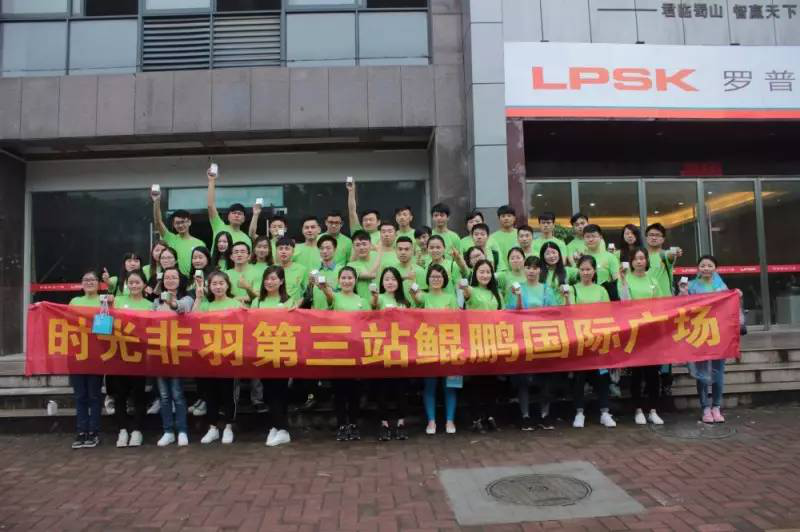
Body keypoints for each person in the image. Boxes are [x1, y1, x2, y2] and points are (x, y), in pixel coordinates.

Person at [678, 255, 736, 424]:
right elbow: (682, 306)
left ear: (715, 268)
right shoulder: (691, 285)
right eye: (703, 265)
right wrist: (683, 292)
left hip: (719, 333)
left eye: (710, 265)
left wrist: (736, 295)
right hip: (700, 332)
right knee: (702, 373)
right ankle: (705, 407)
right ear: (698, 268)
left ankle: (716, 406)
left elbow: (729, 305)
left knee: (718, 372)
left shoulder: (722, 286)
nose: (706, 268)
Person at [507, 256, 558, 430]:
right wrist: (518, 297)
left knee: (546, 378)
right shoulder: (516, 288)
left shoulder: (547, 289)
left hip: (544, 338)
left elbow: (555, 312)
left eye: (535, 268)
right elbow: (511, 313)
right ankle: (525, 415)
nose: (531, 271)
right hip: (523, 339)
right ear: (524, 269)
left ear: (540, 270)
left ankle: (545, 414)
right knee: (524, 379)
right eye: (528, 267)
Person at [193, 271, 243, 444]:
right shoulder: (206, 305)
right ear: (209, 286)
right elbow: (192, 320)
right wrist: (198, 298)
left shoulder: (235, 304)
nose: (218, 286)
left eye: (221, 283)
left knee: (228, 393)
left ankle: (229, 426)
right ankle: (212, 427)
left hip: (229, 356)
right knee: (210, 394)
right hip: (209, 355)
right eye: (214, 284)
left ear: (228, 285)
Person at [408, 264, 459, 435]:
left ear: (444, 279)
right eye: (433, 277)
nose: (436, 279)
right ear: (427, 279)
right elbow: (416, 299)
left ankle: (450, 420)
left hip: (449, 345)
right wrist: (413, 285)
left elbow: (457, 319)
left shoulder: (451, 297)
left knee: (450, 385)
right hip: (428, 345)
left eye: (439, 276)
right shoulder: (424, 297)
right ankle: (431, 421)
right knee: (430, 385)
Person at [567, 256, 617, 429]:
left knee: (602, 378)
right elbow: (570, 312)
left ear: (594, 271)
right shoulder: (572, 289)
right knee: (579, 378)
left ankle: (605, 412)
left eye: (588, 269)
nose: (585, 272)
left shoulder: (601, 290)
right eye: (582, 269)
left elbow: (607, 313)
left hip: (598, 341)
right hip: (579, 341)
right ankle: (579, 412)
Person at [618, 246, 664, 426]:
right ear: (631, 261)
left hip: (652, 332)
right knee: (636, 374)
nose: (639, 261)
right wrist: (622, 280)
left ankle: (653, 410)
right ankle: (638, 410)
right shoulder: (625, 279)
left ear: (647, 261)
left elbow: (660, 304)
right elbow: (624, 302)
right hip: (634, 332)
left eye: (642, 258)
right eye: (636, 258)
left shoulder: (653, 280)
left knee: (653, 374)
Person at [319, 267, 367, 441]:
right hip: (337, 350)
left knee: (354, 391)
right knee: (339, 390)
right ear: (339, 280)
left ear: (355, 280)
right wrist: (324, 287)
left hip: (356, 351)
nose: (347, 281)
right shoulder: (335, 297)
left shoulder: (363, 300)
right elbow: (328, 293)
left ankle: (353, 424)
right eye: (344, 278)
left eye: (350, 278)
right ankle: (341, 424)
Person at [251, 265, 294, 446]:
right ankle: (276, 427)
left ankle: (282, 429)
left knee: (280, 391)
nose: (270, 282)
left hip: (282, 352)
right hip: (263, 352)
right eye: (267, 279)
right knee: (268, 392)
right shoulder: (257, 302)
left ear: (281, 281)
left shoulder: (289, 301)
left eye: (274, 279)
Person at [110, 270, 152, 448]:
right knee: (119, 395)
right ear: (126, 284)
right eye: (131, 282)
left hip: (139, 355)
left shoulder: (150, 305)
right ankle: (122, 430)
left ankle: (136, 430)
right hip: (118, 354)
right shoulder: (117, 301)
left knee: (138, 394)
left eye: (137, 282)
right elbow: (105, 323)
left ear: (144, 284)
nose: (134, 285)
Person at [370, 267, 412, 441]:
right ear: (382, 282)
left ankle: (401, 422)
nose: (390, 282)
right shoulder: (378, 298)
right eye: (386, 279)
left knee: (401, 389)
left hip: (401, 350)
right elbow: (372, 308)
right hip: (382, 349)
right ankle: (384, 423)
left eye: (393, 279)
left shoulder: (405, 301)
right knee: (382, 388)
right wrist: (374, 297)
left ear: (399, 282)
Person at [153, 267, 193, 447]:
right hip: (160, 353)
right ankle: (168, 431)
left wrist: (172, 303)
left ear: (180, 280)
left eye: (174, 277)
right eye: (167, 278)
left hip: (178, 353)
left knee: (177, 394)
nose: (170, 280)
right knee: (164, 396)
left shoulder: (186, 299)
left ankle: (182, 430)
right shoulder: (156, 302)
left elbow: (182, 308)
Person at [462, 259, 503, 433]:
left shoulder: (497, 293)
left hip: (493, 342)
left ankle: (490, 416)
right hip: (475, 342)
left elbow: (503, 315)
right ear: (475, 274)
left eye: (487, 272)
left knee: (491, 382)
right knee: (476, 382)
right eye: (481, 272)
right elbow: (464, 289)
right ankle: (476, 418)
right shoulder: (471, 290)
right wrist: (464, 285)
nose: (485, 275)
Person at [68, 269, 105, 449]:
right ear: (81, 284)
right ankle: (81, 431)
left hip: (96, 354)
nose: (89, 282)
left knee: (94, 395)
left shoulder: (104, 301)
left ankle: (94, 432)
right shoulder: (74, 301)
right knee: (80, 396)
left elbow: (106, 327)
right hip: (77, 353)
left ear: (99, 283)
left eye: (93, 279)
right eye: (86, 279)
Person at [152, 187, 205, 277]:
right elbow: (158, 222)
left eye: (183, 222)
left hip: (192, 281)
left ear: (189, 222)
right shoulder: (170, 238)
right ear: (173, 225)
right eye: (177, 223)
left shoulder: (199, 243)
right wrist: (156, 201)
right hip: (173, 280)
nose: (180, 225)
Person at [207, 164, 251, 246]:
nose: (236, 215)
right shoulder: (219, 226)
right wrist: (211, 180)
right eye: (234, 213)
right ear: (228, 216)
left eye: (239, 214)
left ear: (244, 219)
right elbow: (210, 205)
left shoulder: (246, 239)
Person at [347, 230, 385, 307]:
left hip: (380, 305)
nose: (361, 247)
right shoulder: (351, 266)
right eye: (357, 245)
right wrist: (380, 252)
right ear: (353, 247)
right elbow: (371, 275)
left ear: (370, 244)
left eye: (364, 244)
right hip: (362, 306)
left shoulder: (376, 257)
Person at [310, 234, 343, 310]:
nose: (324, 251)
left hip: (334, 313)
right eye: (321, 248)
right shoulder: (315, 272)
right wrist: (309, 285)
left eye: (328, 248)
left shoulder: (341, 270)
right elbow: (309, 295)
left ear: (335, 249)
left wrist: (325, 287)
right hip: (316, 314)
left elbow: (343, 295)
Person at [346, 178, 381, 245]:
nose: (368, 222)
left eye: (371, 220)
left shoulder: (384, 235)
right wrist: (351, 191)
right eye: (365, 220)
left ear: (378, 222)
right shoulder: (358, 233)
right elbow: (352, 212)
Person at [274, 236, 308, 302]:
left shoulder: (302, 269)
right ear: (276, 251)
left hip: (294, 307)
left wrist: (298, 304)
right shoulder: (271, 269)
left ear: (293, 251)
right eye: (280, 249)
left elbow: (307, 292)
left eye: (287, 249)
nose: (283, 252)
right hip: (274, 307)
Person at [394, 236, 427, 302]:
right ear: (396, 251)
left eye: (406, 249)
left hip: (415, 308)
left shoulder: (420, 271)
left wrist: (413, 284)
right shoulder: (391, 270)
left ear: (412, 251)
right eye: (400, 249)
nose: (403, 252)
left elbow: (424, 298)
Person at [488, 205, 519, 272]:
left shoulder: (521, 235)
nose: (506, 218)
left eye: (509, 216)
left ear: (514, 218)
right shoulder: (492, 237)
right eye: (503, 216)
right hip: (500, 273)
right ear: (499, 218)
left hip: (519, 272)